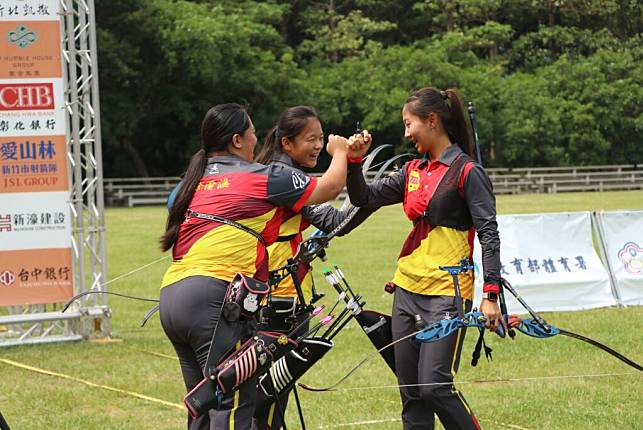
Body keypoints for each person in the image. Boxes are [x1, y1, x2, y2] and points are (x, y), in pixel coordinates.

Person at [159, 103, 349, 430]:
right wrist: (342, 151)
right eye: (252, 134)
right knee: (232, 405)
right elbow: (329, 189)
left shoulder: (195, 179)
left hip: (172, 298)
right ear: (236, 140)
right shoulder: (261, 176)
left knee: (203, 403)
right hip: (213, 299)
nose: (256, 141)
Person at [345, 87, 504, 430]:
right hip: (406, 290)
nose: (405, 133)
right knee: (413, 395)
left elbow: (489, 235)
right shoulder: (411, 170)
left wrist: (491, 295)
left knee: (434, 387)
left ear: (432, 121)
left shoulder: (467, 171)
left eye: (408, 123)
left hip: (447, 292)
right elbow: (363, 197)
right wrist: (354, 161)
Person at [253, 106, 374, 429]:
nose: (319, 145)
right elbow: (337, 220)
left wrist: (360, 177)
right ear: (286, 143)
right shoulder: (283, 178)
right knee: (269, 389)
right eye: (312, 139)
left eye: (322, 139)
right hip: (276, 298)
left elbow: (333, 221)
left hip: (281, 293)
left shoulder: (277, 173)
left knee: (269, 389)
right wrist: (350, 166)